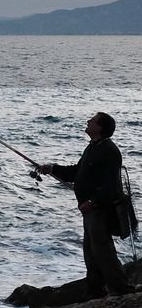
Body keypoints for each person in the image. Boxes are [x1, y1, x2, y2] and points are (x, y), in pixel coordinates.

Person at [39, 112, 131, 296]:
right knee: (90, 253)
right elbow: (76, 172)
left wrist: (92, 202)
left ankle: (121, 291)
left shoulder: (109, 151)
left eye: (93, 120)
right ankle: (95, 292)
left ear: (100, 128)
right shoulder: (93, 147)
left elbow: (112, 186)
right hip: (89, 211)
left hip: (100, 211)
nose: (88, 122)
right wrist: (52, 169)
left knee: (104, 253)